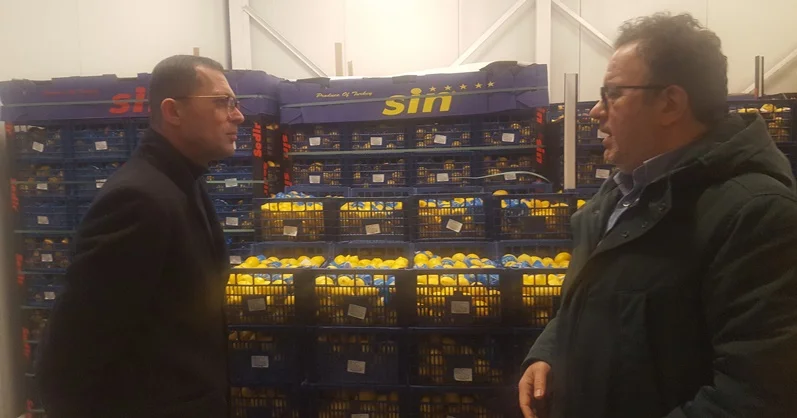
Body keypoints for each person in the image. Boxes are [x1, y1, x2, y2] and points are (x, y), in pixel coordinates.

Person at [519, 13, 797, 418]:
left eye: (614, 94)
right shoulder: (618, 196)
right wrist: (548, 353)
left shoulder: (756, 215)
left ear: (670, 103)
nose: (595, 111)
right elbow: (586, 302)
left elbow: (756, 397)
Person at [37, 55, 245, 417]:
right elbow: (74, 346)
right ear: (173, 111)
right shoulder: (138, 199)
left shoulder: (184, 183)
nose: (237, 115)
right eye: (221, 102)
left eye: (234, 103)